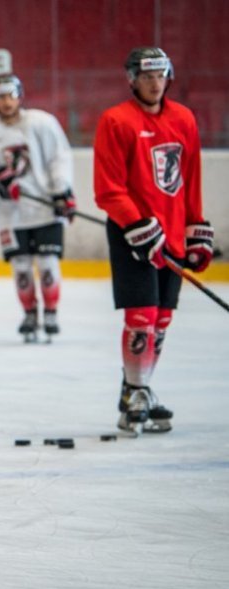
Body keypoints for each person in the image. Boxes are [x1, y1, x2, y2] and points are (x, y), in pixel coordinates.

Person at [94, 47, 214, 434]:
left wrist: (196, 229)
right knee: (141, 318)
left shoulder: (184, 118)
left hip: (173, 230)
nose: (154, 82)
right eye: (146, 75)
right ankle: (137, 393)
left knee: (161, 321)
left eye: (160, 74)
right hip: (133, 234)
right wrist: (137, 226)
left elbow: (190, 180)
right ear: (131, 79)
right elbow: (108, 190)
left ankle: (138, 390)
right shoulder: (116, 120)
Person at [0, 74, 76, 343]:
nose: (7, 102)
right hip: (11, 215)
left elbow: (59, 158)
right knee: (21, 267)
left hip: (46, 207)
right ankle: (29, 313)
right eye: (1, 96)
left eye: (11, 95)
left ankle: (51, 311)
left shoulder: (42, 123)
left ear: (20, 95)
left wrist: (62, 190)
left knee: (48, 262)